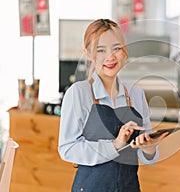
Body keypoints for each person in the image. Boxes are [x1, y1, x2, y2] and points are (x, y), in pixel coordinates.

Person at [58, 19, 167, 192]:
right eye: (101, 50)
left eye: (116, 48)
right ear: (88, 53)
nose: (110, 57)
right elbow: (67, 148)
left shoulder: (137, 95)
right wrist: (115, 144)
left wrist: (150, 148)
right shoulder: (79, 93)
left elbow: (146, 157)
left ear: (124, 51)